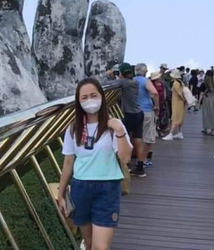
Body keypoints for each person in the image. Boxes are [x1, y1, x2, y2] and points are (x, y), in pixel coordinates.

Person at [58, 78, 133, 250]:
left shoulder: (113, 125)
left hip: (107, 188)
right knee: (90, 242)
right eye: (84, 97)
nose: (89, 100)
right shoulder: (73, 129)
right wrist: (61, 194)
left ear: (102, 96)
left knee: (100, 247)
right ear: (78, 101)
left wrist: (120, 131)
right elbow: (68, 162)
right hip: (80, 188)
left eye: (93, 95)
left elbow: (126, 157)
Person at [103, 63, 145, 176]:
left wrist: (107, 75)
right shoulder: (134, 81)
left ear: (121, 73)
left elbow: (107, 85)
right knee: (138, 139)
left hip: (129, 114)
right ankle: (140, 167)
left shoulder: (123, 82)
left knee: (124, 138)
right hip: (139, 112)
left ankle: (125, 165)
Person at [132, 64, 159, 177]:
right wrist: (157, 106)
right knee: (147, 138)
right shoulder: (145, 81)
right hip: (146, 111)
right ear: (144, 71)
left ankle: (134, 163)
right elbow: (155, 92)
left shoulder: (132, 81)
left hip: (134, 111)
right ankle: (140, 164)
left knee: (137, 137)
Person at [163, 70, 186, 140]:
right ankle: (180, 132)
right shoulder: (180, 82)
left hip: (176, 102)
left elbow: (179, 93)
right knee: (180, 117)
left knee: (175, 117)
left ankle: (171, 133)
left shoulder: (175, 83)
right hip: (181, 103)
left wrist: (182, 98)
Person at [199, 70, 214, 135]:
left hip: (206, 99)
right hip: (213, 98)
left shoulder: (204, 84)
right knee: (212, 114)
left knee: (206, 114)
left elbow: (201, 94)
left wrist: (199, 102)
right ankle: (213, 128)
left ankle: (205, 128)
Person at [151, 71, 168, 137]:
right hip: (154, 101)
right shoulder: (152, 84)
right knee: (155, 116)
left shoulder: (161, 83)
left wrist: (164, 99)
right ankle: (154, 130)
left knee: (161, 116)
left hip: (161, 101)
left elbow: (164, 91)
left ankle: (159, 129)